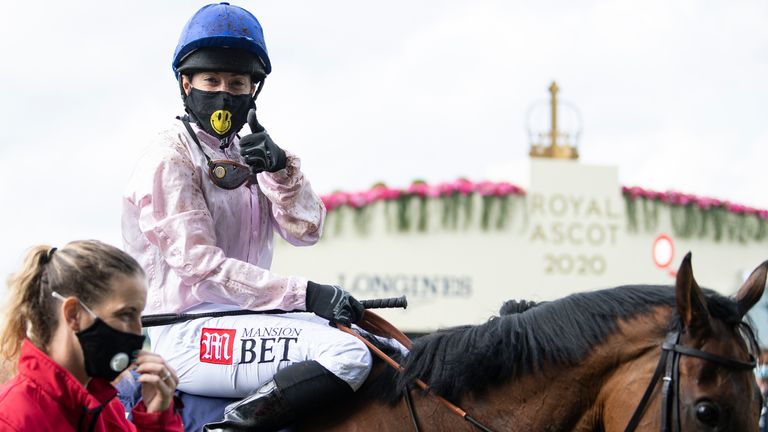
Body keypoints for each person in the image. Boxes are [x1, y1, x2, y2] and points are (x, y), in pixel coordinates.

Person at [122, 2, 371, 430]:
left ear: (252, 91)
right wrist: (304, 293)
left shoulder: (248, 152)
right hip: (187, 333)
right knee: (349, 355)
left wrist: (280, 171)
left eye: (237, 82)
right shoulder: (169, 158)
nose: (224, 92)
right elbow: (201, 267)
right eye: (211, 80)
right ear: (186, 83)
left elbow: (306, 231)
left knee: (388, 348)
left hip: (249, 320)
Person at [0, 240, 183, 431]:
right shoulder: (12, 419)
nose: (138, 331)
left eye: (139, 316)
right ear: (74, 314)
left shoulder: (104, 407)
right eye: (125, 314)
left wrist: (156, 419)